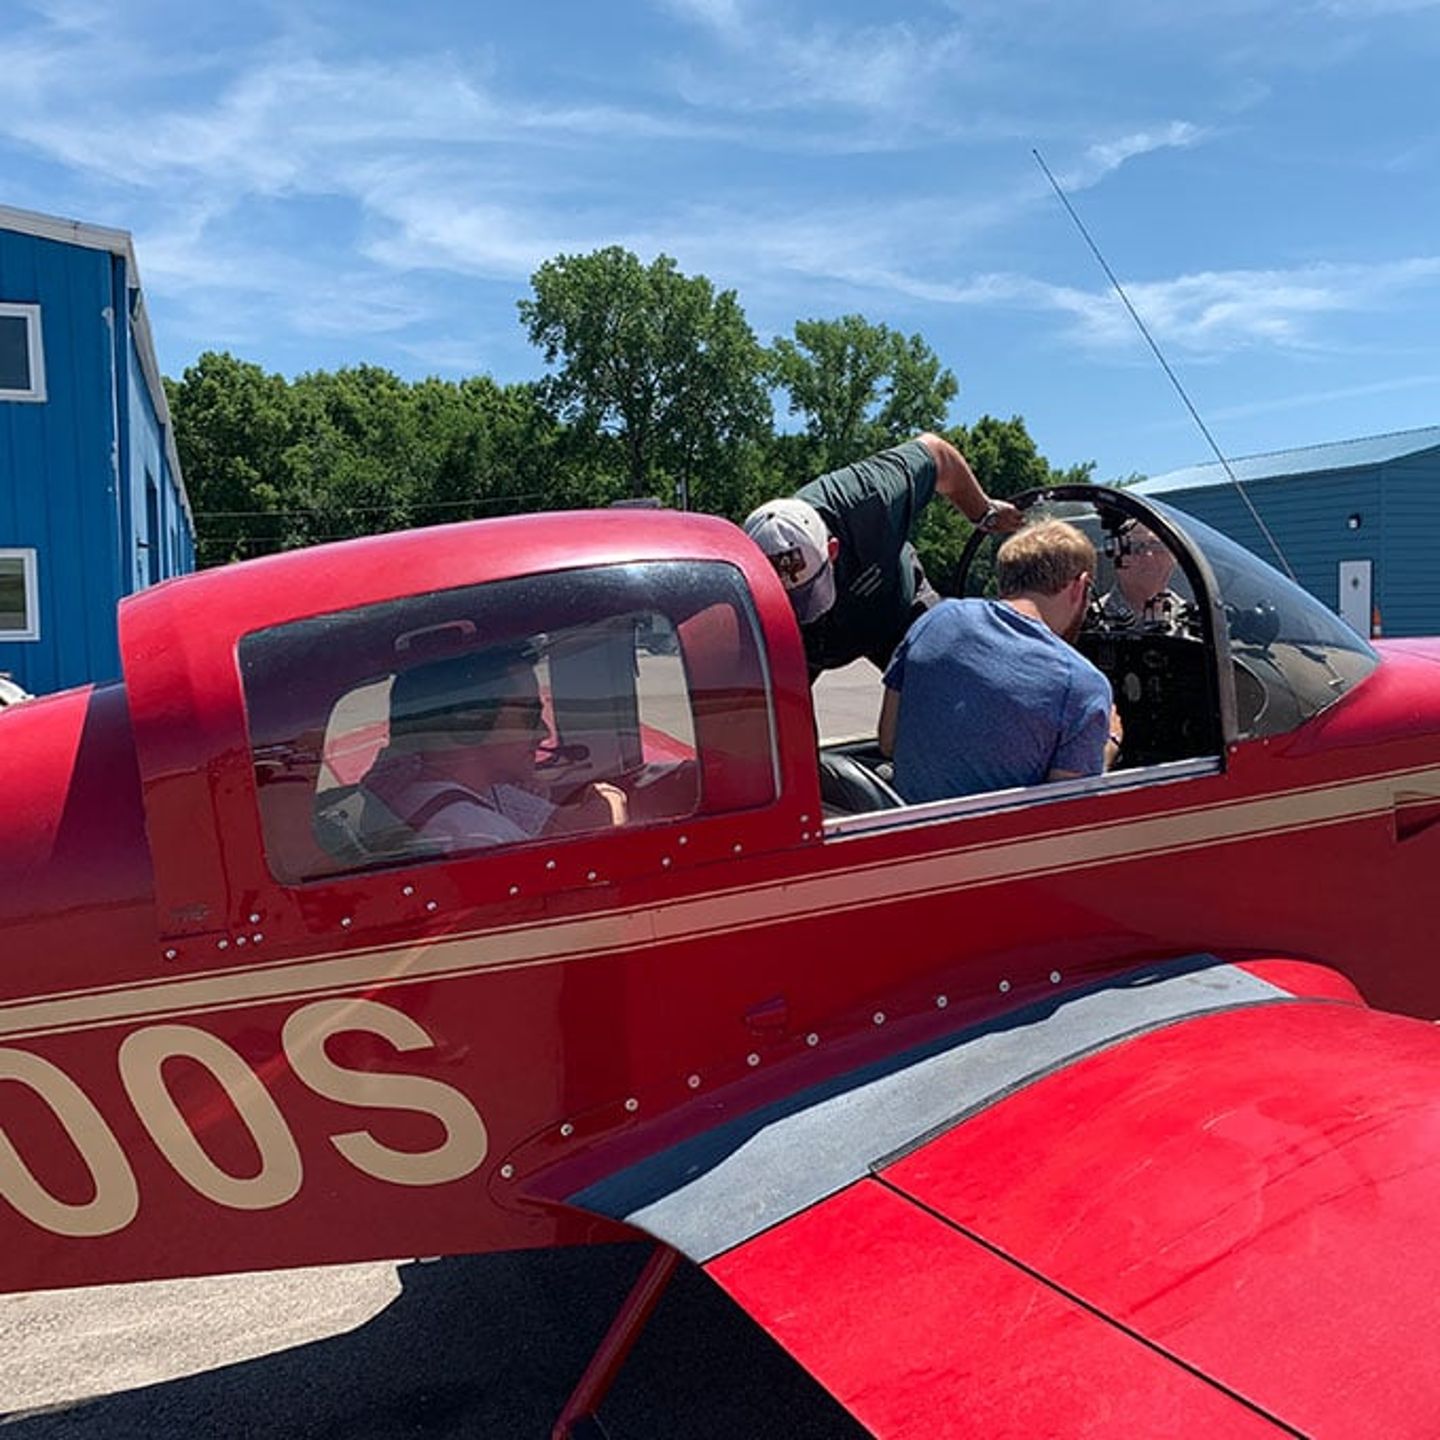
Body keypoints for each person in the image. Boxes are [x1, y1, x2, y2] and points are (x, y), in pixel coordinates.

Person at [743, 434, 1023, 683]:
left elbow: (937, 454)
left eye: (809, 593)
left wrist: (984, 513)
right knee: (769, 722)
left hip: (896, 608)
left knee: (952, 682)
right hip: (805, 648)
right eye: (791, 600)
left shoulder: (869, 498)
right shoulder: (740, 575)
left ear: (832, 550)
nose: (806, 611)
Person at [878, 519, 1121, 803]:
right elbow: (1068, 812)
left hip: (909, 828)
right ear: (1080, 587)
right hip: (993, 845)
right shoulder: (1082, 685)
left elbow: (888, 740)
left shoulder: (935, 619)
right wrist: (1108, 745)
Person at [359, 644, 626, 854]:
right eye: (529, 716)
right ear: (471, 722)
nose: (543, 733)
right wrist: (614, 801)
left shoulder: (408, 791)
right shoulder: (482, 835)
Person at [1100, 522, 1184, 630]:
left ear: (1173, 558)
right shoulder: (1090, 624)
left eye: (1157, 546)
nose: (1149, 556)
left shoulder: (1197, 620)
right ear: (1117, 557)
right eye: (1136, 548)